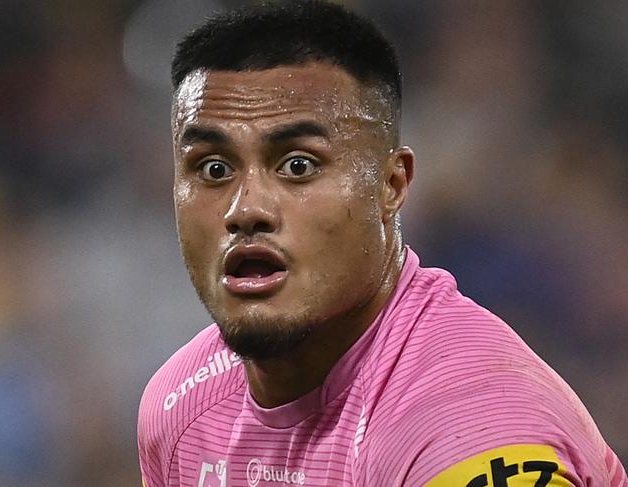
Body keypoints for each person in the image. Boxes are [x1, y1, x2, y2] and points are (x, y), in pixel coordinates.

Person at [137, 1, 627, 485]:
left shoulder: (473, 429)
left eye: (298, 166)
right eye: (214, 169)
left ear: (391, 186)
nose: (245, 210)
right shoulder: (180, 409)